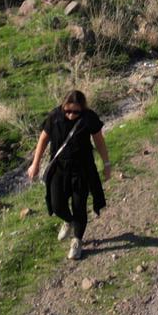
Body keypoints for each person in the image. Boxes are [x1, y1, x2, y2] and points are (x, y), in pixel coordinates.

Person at [26, 89, 111, 261]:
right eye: (68, 111)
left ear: (82, 109)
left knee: (80, 205)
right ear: (63, 106)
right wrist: (35, 164)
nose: (71, 115)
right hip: (59, 168)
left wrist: (106, 163)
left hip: (82, 169)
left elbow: (99, 140)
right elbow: (43, 139)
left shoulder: (88, 118)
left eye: (76, 112)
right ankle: (69, 221)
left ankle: (77, 241)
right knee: (57, 204)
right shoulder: (54, 117)